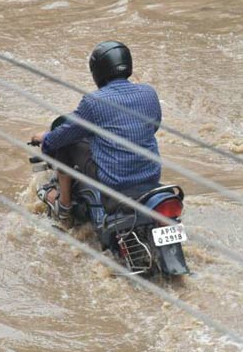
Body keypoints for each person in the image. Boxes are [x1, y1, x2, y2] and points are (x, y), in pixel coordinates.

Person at [31, 41, 162, 224]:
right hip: (152, 174)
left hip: (115, 180)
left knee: (66, 144)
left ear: (98, 71)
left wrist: (45, 139)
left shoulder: (94, 102)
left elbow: (64, 134)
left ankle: (64, 205)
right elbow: (153, 127)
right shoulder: (149, 93)